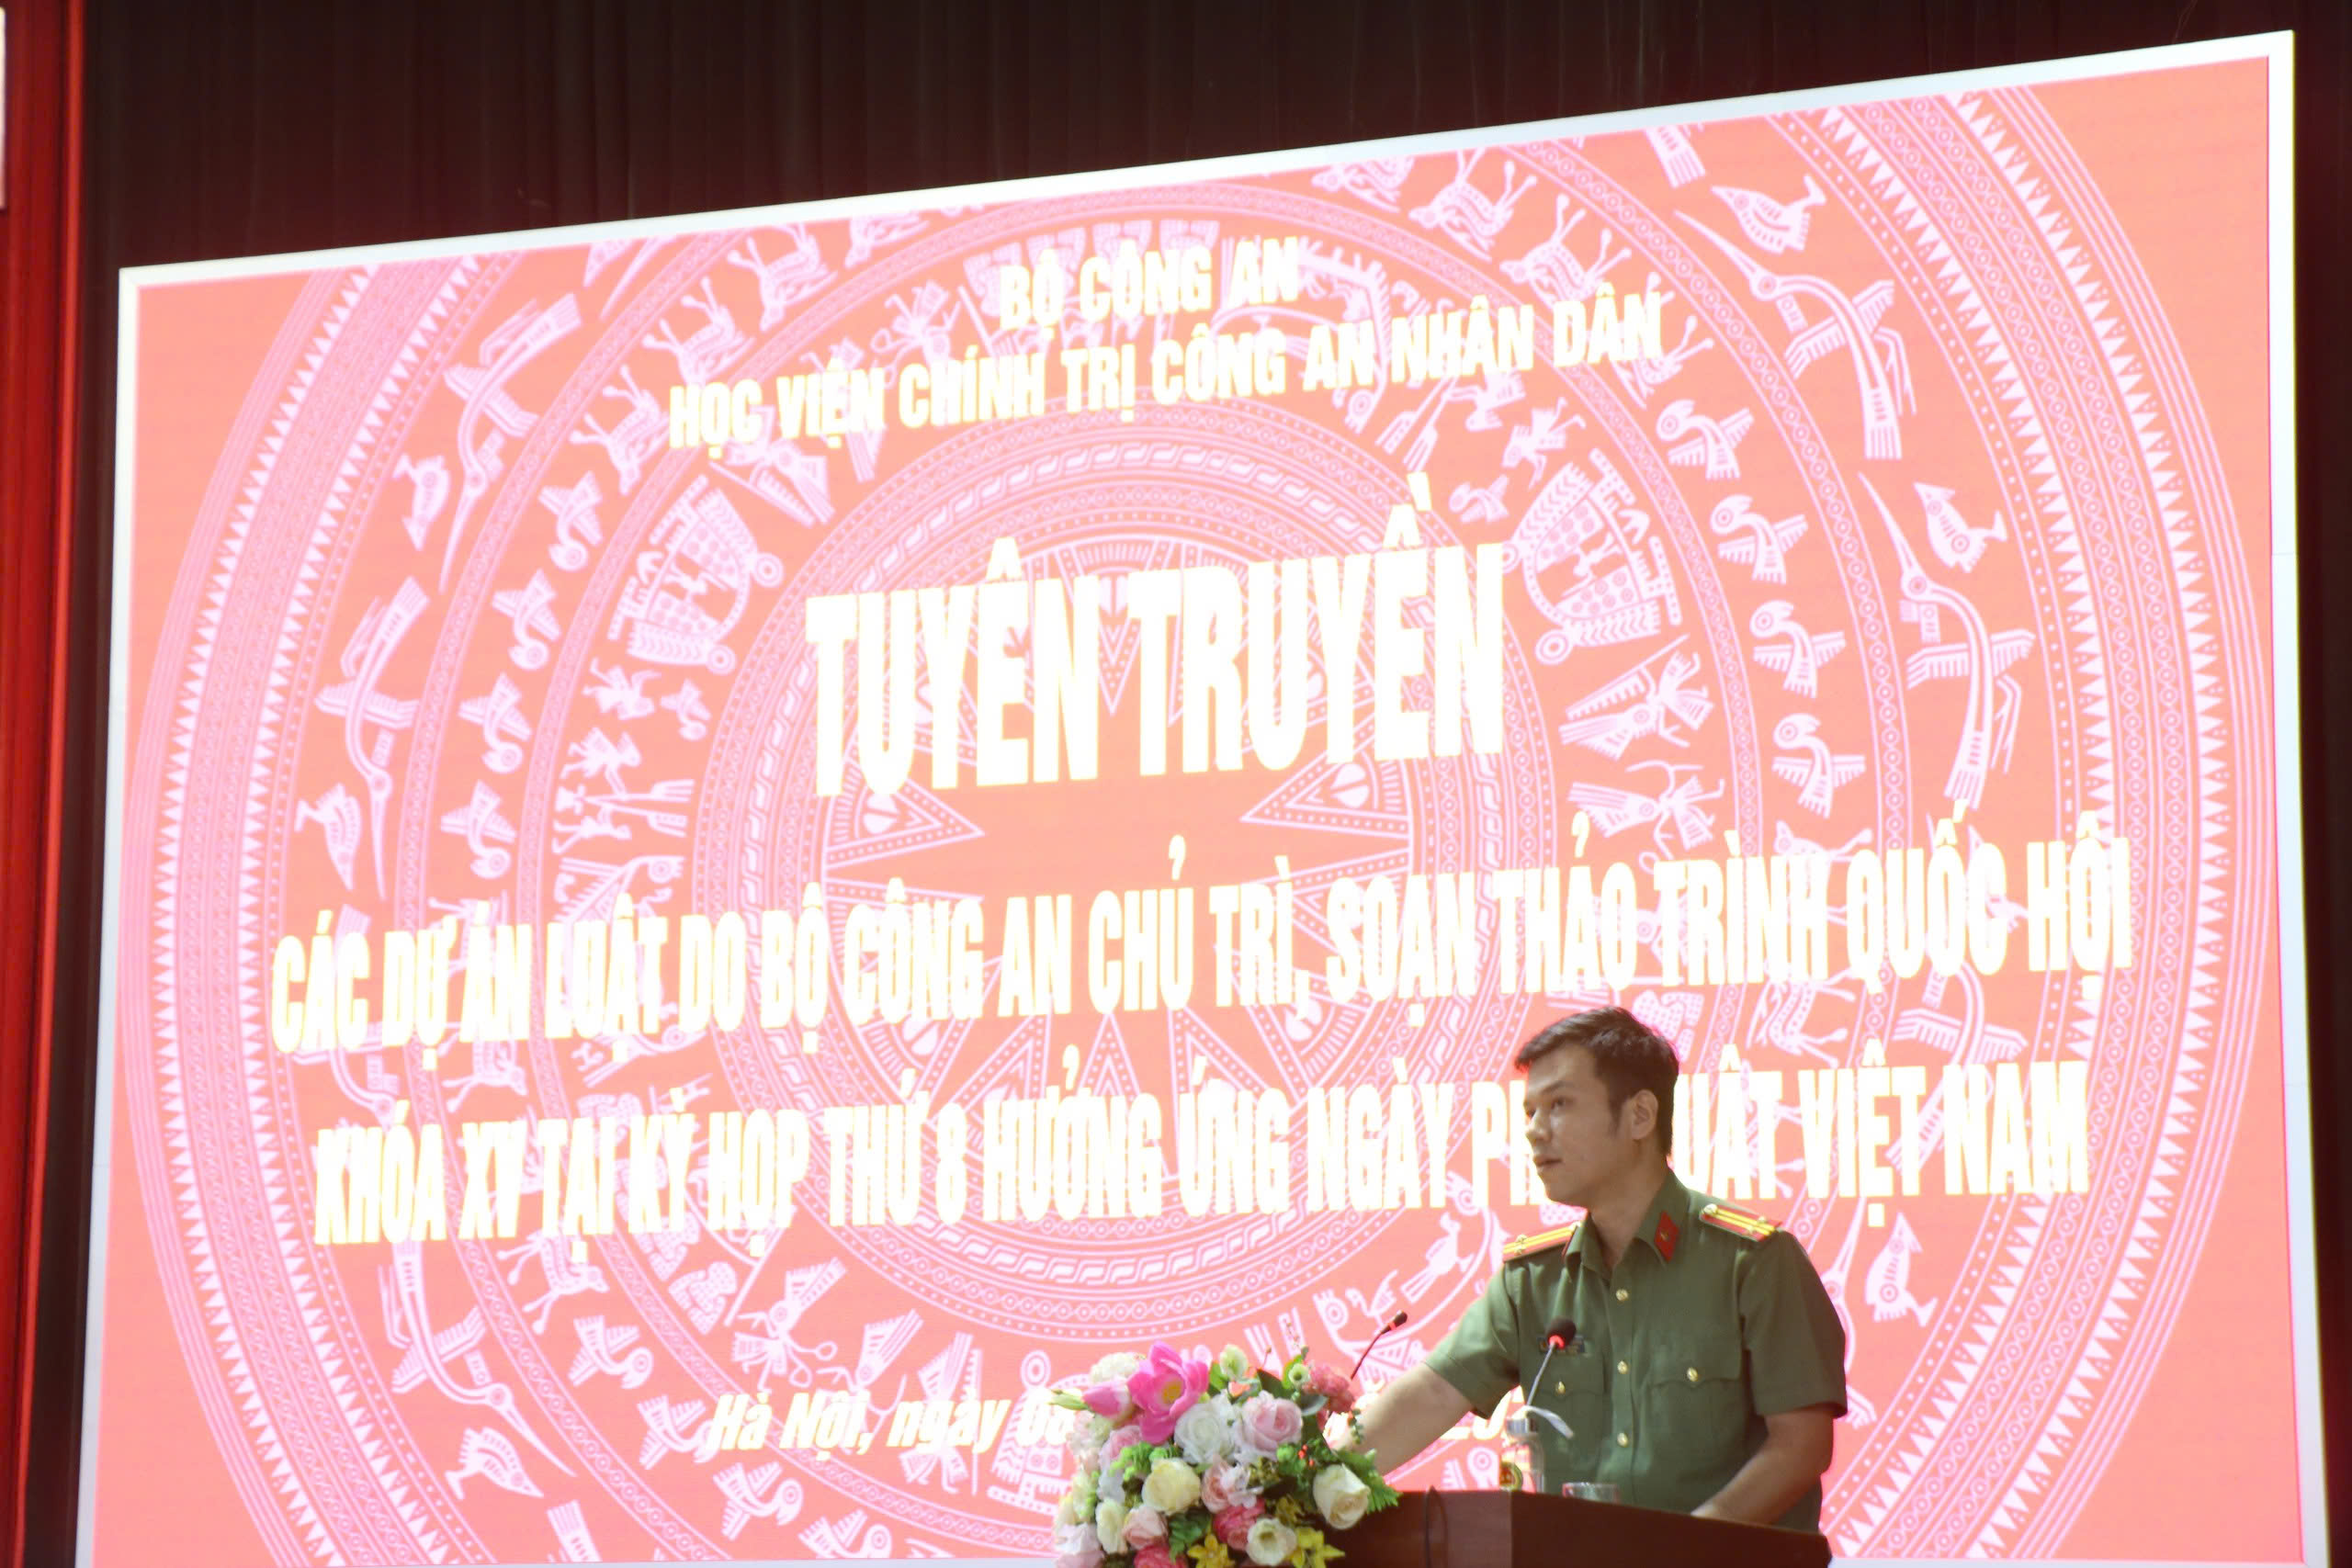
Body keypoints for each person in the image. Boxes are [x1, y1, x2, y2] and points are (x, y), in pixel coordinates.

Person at [1343, 1006, 1847, 1530]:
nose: (1535, 1131)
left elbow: (1801, 1447)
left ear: (1640, 1116)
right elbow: (1433, 1394)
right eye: (1530, 1112)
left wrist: (1689, 1549)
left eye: (1559, 1104)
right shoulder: (1533, 1281)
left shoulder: (1753, 1262)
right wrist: (1307, 1482)